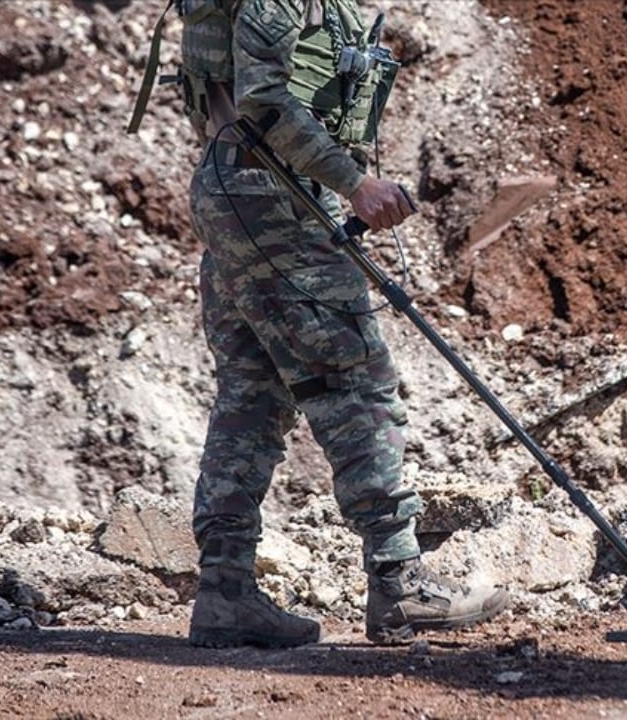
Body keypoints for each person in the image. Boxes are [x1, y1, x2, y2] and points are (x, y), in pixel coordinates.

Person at [158, 0, 510, 647]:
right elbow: (264, 100)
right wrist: (356, 184)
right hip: (269, 191)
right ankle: (399, 583)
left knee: (253, 394)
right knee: (354, 376)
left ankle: (225, 594)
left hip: (243, 188)